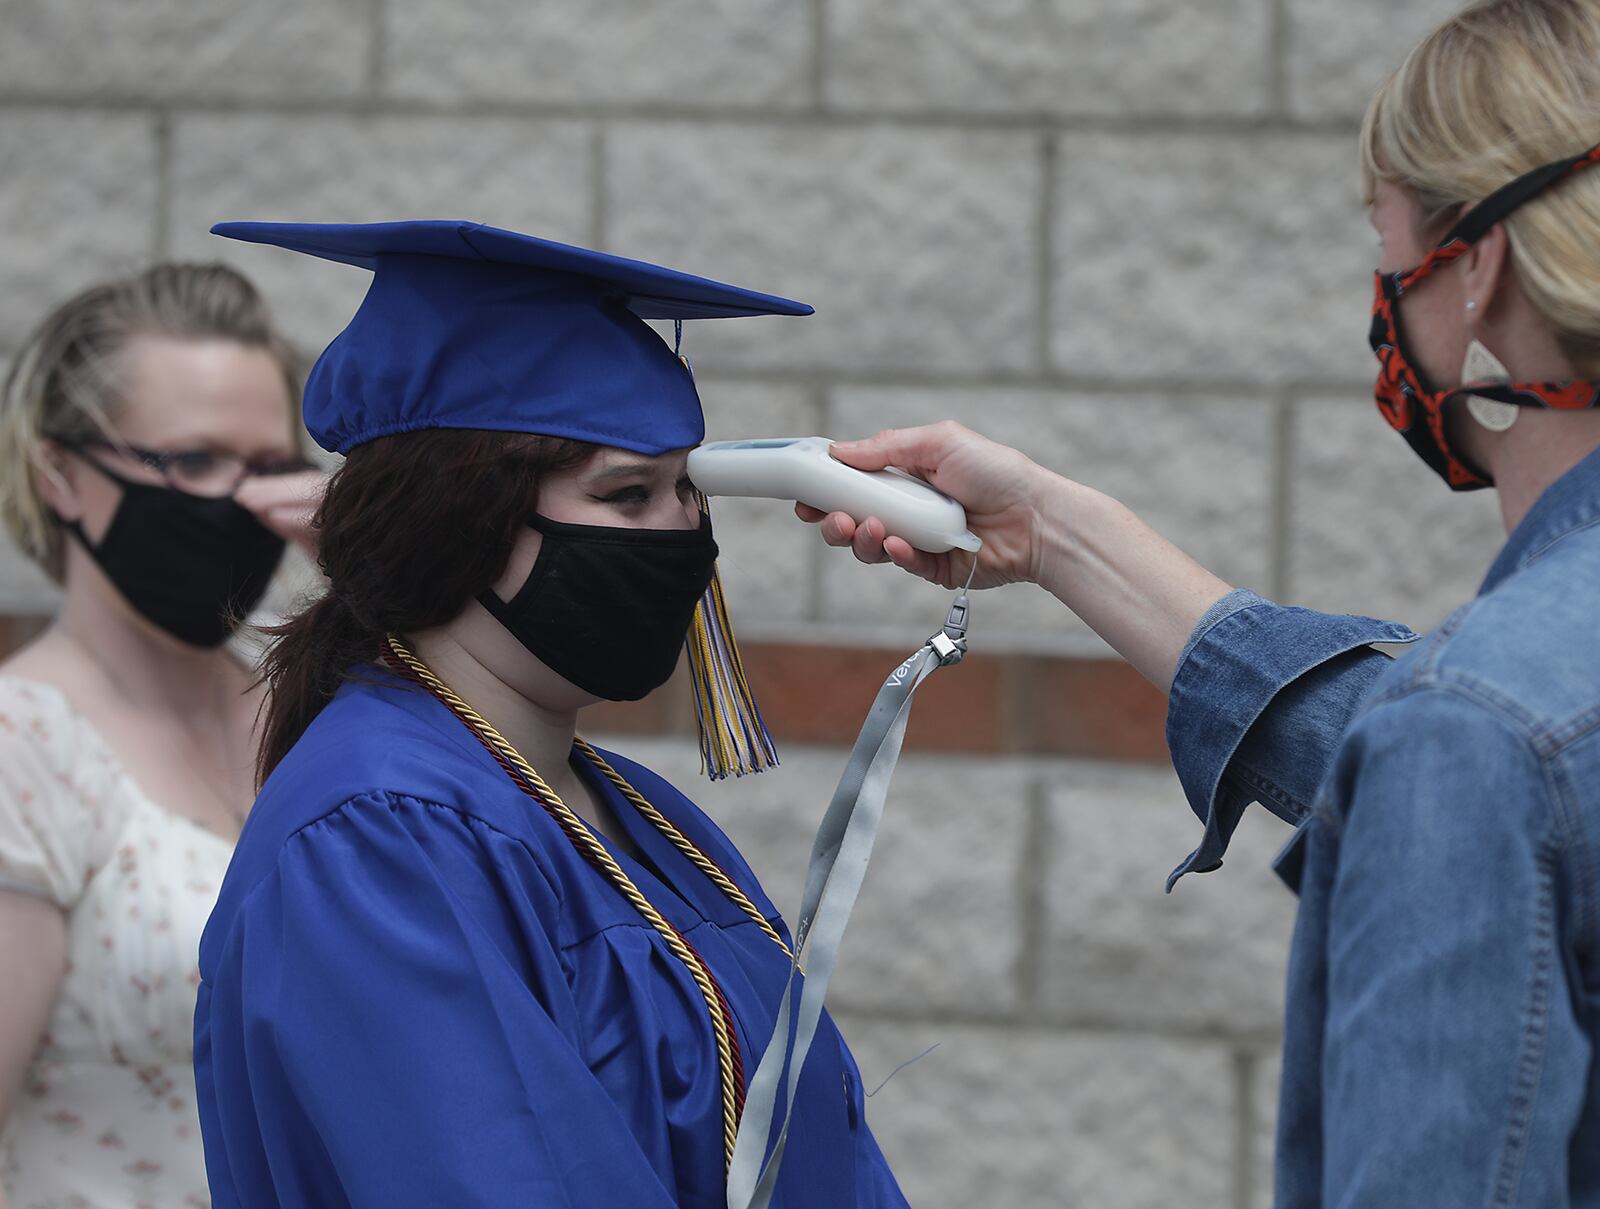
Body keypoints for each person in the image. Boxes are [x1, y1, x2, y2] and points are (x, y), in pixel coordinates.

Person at [803, 1, 1600, 1203]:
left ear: (1475, 267)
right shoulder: (1495, 722)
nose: (1381, 282)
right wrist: (1058, 535)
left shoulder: (1475, 737)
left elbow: (1465, 754)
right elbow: (1443, 748)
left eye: (1381, 234)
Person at [193, 220, 908, 1208]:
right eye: (627, 495)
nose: (683, 536)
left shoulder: (638, 812)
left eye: (685, 492)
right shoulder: (378, 837)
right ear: (461, 519)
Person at [0, 264, 322, 1209]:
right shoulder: (22, 748)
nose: (239, 502)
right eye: (193, 462)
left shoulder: (307, 714)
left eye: (270, 467)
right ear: (59, 473)